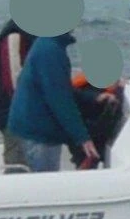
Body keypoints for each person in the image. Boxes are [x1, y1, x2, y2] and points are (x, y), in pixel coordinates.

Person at [7, 31, 113, 173]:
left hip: (32, 128)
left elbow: (61, 89)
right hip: (39, 134)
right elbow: (59, 100)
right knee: (46, 185)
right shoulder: (50, 51)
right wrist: (82, 138)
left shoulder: (47, 44)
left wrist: (93, 98)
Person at [0, 19, 37, 169]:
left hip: (19, 113)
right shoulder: (15, 33)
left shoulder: (25, 32)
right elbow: (13, 78)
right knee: (18, 166)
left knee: (22, 163)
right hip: (14, 116)